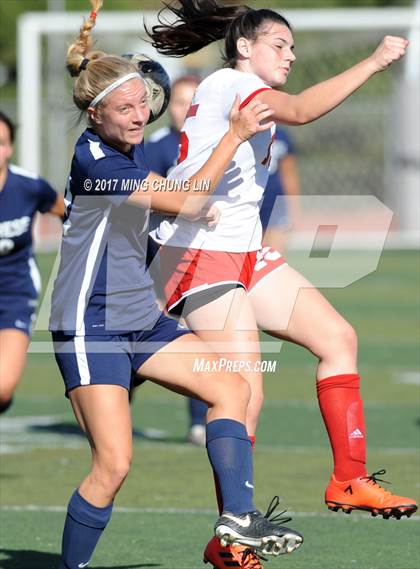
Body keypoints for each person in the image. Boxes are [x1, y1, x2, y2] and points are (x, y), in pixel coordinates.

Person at [146, 2, 417, 567]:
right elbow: (298, 109)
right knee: (244, 393)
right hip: (196, 254)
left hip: (243, 253)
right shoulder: (229, 81)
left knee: (338, 339)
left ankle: (349, 478)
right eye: (280, 45)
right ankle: (230, 540)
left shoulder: (245, 93)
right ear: (245, 47)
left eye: (293, 48)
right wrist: (371, 63)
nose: (290, 55)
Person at [48, 2, 303, 568]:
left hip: (140, 315)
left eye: (143, 102)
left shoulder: (124, 144)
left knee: (232, 389)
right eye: (124, 107)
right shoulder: (96, 161)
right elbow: (187, 198)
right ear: (95, 115)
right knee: (113, 466)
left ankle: (236, 519)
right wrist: (233, 135)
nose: (139, 115)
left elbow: (169, 190)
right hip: (90, 323)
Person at [144, 74, 208, 445]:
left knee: (203, 335)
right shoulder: (155, 148)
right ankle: (123, 390)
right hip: (163, 256)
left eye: (193, 103)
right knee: (154, 333)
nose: (186, 111)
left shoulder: (213, 144)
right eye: (180, 102)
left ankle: (199, 420)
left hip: (207, 254)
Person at [0, 110, 64, 415]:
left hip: (14, 295)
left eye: (1, 142)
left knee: (2, 388)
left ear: (10, 148)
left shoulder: (28, 187)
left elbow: (68, 213)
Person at [259, 126, 300, 254]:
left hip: (275, 202)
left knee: (274, 255)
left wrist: (294, 209)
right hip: (250, 201)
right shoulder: (244, 129)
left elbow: (289, 173)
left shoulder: (281, 135)